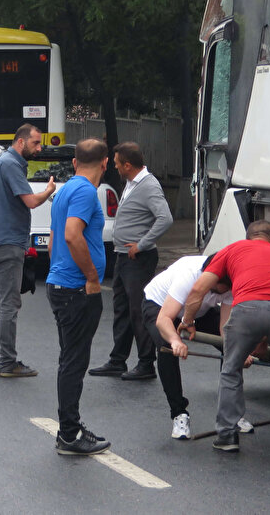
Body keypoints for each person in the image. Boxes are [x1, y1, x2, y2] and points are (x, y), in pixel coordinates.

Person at [180, 221, 270, 454]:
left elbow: (198, 289)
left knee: (231, 369)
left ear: (248, 237)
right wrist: (262, 341)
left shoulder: (232, 249)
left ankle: (227, 435)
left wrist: (188, 321)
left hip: (247, 310)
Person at [45, 137, 111, 456]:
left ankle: (69, 429)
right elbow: (72, 234)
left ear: (74, 162)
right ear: (105, 163)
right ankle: (69, 434)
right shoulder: (86, 191)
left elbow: (54, 238)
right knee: (73, 361)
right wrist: (91, 278)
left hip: (60, 284)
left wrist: (57, 271)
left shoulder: (65, 190)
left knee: (69, 358)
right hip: (76, 289)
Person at [88, 141, 173, 381]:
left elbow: (165, 218)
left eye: (117, 164)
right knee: (122, 309)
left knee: (139, 311)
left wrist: (142, 244)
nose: (114, 167)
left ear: (128, 164)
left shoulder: (149, 185)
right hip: (123, 257)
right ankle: (118, 360)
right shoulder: (131, 183)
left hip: (139, 258)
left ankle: (146, 363)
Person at [144, 254, 253, 440]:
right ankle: (179, 413)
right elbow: (164, 319)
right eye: (216, 290)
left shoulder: (232, 281)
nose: (219, 294)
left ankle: (231, 412)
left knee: (233, 349)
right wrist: (176, 340)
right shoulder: (188, 275)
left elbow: (225, 330)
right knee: (167, 348)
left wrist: (238, 351)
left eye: (223, 292)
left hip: (198, 311)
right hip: (160, 306)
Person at [0, 124, 56, 378]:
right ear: (21, 142)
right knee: (9, 304)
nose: (40, 147)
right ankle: (7, 363)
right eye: (36, 143)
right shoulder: (11, 164)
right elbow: (31, 202)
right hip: (7, 243)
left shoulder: (1, 163)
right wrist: (48, 190)